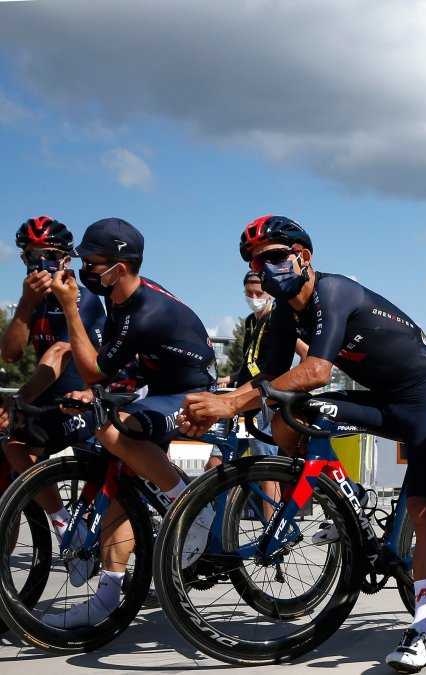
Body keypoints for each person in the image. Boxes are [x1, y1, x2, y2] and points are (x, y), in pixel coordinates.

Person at [179, 215, 426, 674]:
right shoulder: (287, 313)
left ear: (302, 257)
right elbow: (267, 378)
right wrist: (219, 404)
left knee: (425, 513)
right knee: (293, 412)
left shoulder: (335, 291)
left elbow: (317, 371)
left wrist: (229, 405)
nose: (264, 270)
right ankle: (337, 496)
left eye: (272, 258)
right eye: (254, 263)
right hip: (381, 399)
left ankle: (422, 631)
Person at [41, 217, 217, 627]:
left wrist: (70, 308)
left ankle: (189, 507)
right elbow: (112, 369)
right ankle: (106, 598)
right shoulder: (118, 297)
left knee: (116, 430)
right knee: (118, 484)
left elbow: (94, 370)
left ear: (118, 267)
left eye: (91, 261)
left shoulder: (147, 311)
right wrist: (94, 393)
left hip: (191, 393)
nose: (83, 269)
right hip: (154, 386)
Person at [1, 217, 106, 582]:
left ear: (65, 259)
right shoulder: (33, 298)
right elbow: (11, 354)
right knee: (12, 446)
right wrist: (25, 306)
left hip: (88, 398)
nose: (38, 264)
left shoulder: (80, 296)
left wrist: (19, 399)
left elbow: (61, 352)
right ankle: (63, 523)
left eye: (47, 255)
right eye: (31, 255)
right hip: (51, 401)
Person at [205, 270, 307, 471]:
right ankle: (213, 502)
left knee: (266, 468)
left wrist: (291, 385)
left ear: (269, 292)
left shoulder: (277, 319)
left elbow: (305, 352)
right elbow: (250, 363)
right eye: (248, 293)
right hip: (241, 397)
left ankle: (273, 502)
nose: (253, 298)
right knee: (216, 462)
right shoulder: (251, 320)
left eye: (258, 294)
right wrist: (228, 378)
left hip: (262, 398)